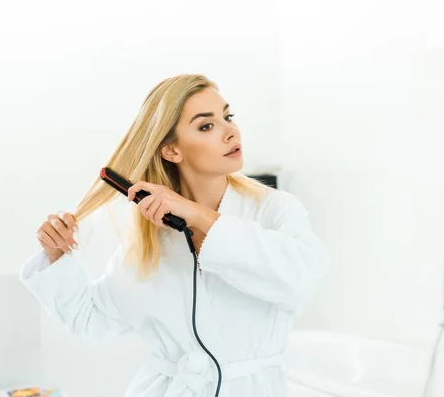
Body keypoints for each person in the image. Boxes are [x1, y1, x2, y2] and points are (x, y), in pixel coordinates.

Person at [19, 74, 331, 397]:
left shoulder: (271, 210)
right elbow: (92, 318)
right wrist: (58, 254)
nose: (230, 131)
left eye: (228, 117)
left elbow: (301, 279)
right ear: (171, 151)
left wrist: (199, 216)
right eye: (206, 126)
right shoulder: (153, 235)